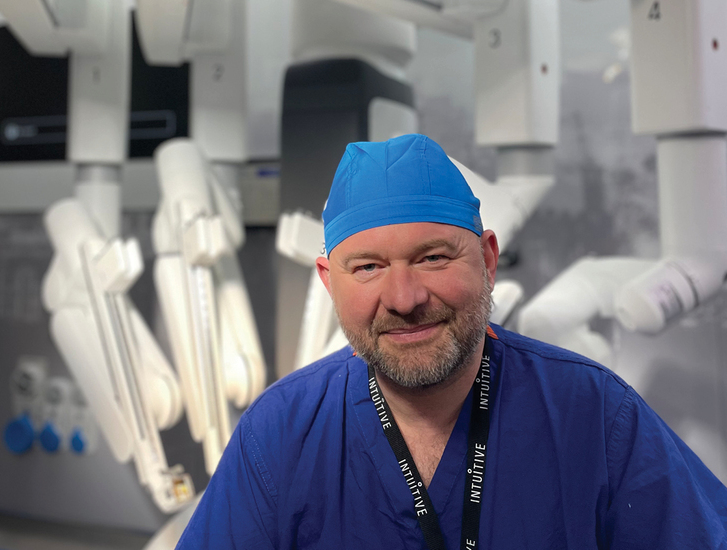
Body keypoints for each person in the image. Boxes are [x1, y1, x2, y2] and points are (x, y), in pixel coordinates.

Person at [176, 134, 727, 549]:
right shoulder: (281, 434)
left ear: (487, 259)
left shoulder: (595, 416)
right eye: (367, 267)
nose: (404, 297)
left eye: (433, 258)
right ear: (328, 281)